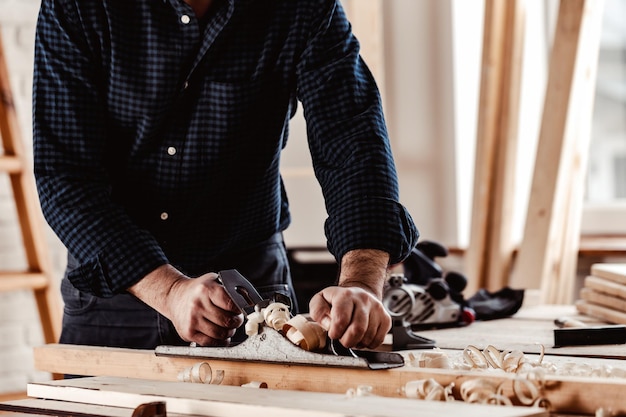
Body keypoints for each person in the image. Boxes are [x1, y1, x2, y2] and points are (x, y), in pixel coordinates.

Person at [32, 0, 419, 351]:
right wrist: (170, 291)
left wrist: (360, 285)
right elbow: (65, 178)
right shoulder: (76, 6)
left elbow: (354, 143)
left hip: (255, 302)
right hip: (115, 299)